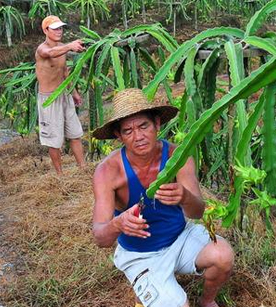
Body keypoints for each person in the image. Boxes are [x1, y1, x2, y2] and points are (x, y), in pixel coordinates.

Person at [92, 88, 234, 307]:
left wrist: (185, 197)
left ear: (157, 124)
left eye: (143, 126)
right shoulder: (107, 172)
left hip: (180, 237)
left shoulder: (178, 157)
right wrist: (118, 223)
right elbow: (101, 237)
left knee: (223, 255)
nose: (138, 137)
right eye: (128, 131)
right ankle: (147, 287)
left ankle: (206, 302)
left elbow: (197, 212)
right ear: (118, 136)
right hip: (140, 255)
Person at [35, 15, 86, 173]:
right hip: (49, 98)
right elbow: (50, 53)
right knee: (54, 140)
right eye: (55, 28)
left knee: (75, 133)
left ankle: (83, 168)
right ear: (45, 30)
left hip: (64, 94)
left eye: (60, 28)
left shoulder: (62, 47)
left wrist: (74, 92)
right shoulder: (42, 49)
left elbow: (65, 72)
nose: (59, 31)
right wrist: (70, 46)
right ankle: (60, 176)